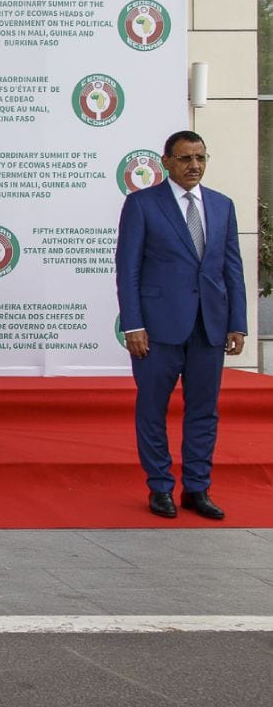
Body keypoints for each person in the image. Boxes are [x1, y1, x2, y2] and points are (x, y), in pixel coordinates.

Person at [116, 130, 246, 520]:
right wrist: (133, 324)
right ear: (167, 162)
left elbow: (232, 268)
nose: (194, 165)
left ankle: (197, 488)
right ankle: (160, 487)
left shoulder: (222, 205)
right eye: (186, 158)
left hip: (210, 326)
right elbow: (128, 269)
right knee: (152, 409)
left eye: (200, 158)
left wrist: (237, 322)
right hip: (157, 329)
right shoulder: (142, 204)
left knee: (204, 411)